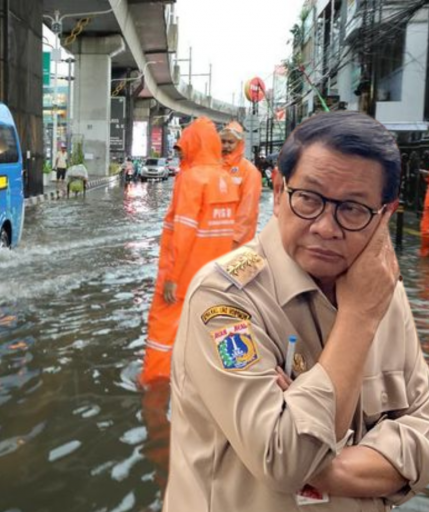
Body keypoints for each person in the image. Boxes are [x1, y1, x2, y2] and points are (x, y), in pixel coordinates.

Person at [165, 111, 429, 511]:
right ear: (277, 189)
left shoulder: (385, 295)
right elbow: (285, 460)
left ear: (386, 214)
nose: (326, 226)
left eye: (353, 209)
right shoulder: (224, 298)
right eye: (308, 198)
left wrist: (326, 468)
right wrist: (358, 319)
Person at [140, 117, 239, 387]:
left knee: (161, 331)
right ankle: (226, 381)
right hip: (215, 277)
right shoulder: (226, 179)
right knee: (215, 330)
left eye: (183, 146)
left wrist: (172, 277)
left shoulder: (191, 179)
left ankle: (154, 386)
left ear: (194, 143)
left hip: (182, 278)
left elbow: (183, 233)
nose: (180, 152)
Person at [221, 122, 262, 247]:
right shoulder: (215, 166)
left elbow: (247, 211)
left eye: (230, 142)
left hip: (238, 242)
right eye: (223, 141)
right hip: (216, 239)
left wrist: (235, 239)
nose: (226, 146)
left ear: (239, 143)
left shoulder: (249, 171)